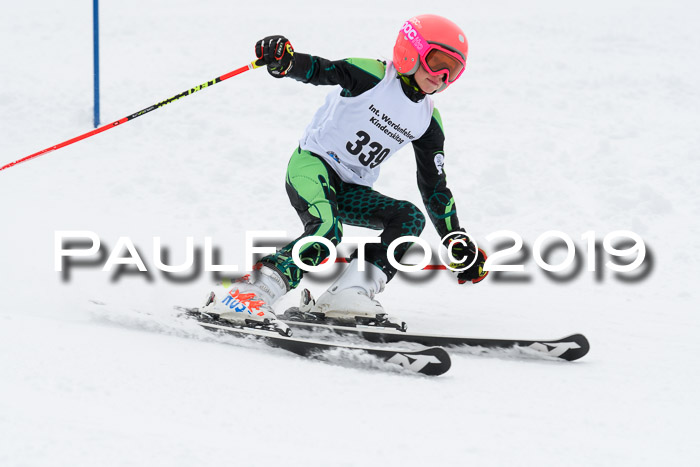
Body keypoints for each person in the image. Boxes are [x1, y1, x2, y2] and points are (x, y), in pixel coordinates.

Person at [202, 14, 488, 329]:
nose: (442, 77)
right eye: (437, 62)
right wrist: (286, 62)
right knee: (327, 230)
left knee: (409, 218)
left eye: (454, 71)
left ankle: (348, 294)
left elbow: (434, 187)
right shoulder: (374, 76)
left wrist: (454, 238)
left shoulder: (428, 121)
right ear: (411, 51)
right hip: (314, 165)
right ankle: (247, 292)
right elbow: (321, 70)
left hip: (351, 188)